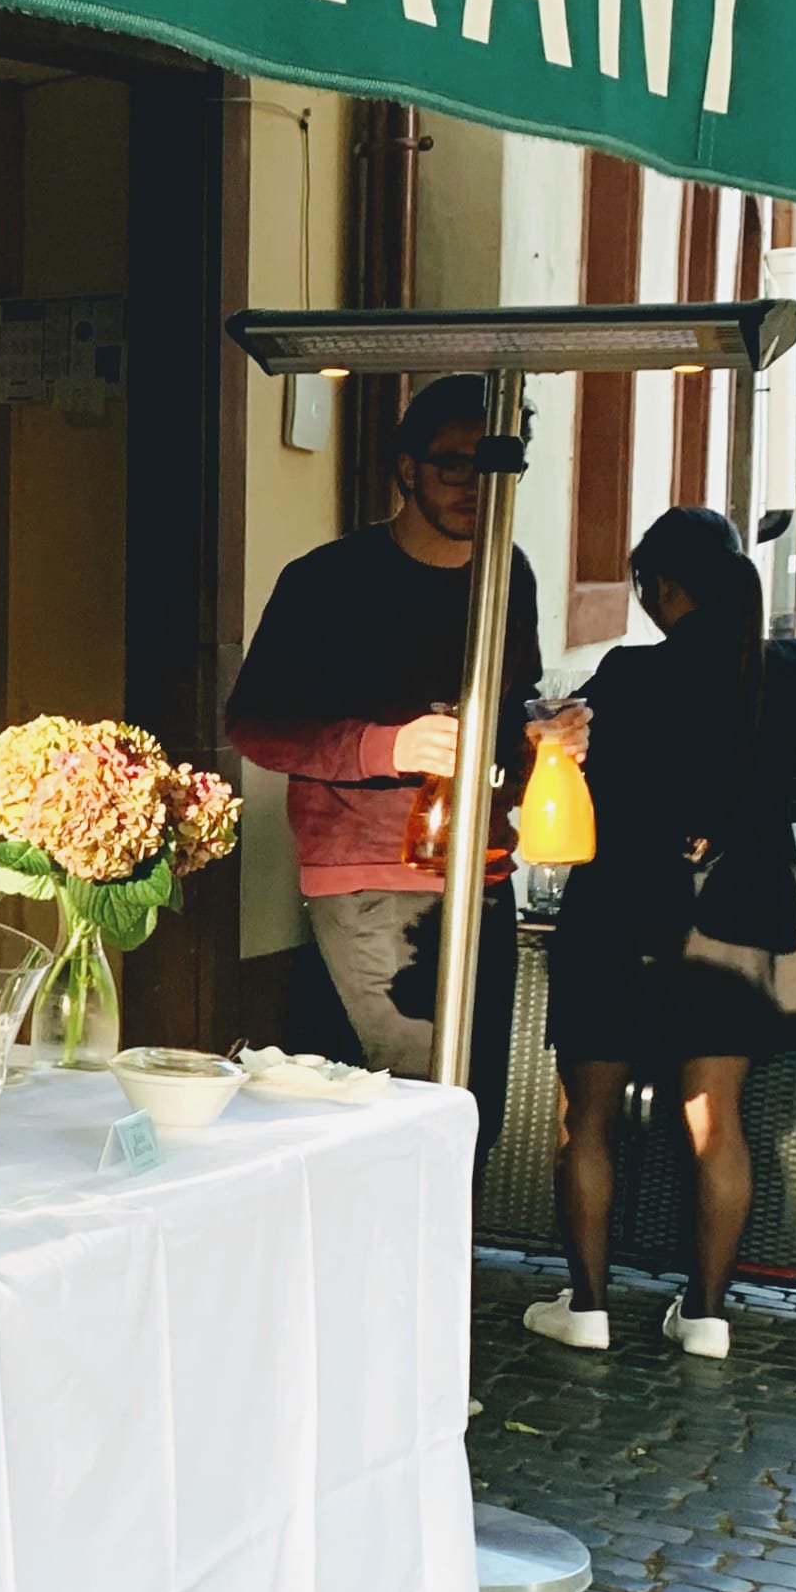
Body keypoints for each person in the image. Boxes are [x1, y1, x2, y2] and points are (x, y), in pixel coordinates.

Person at [524, 508, 796, 1361]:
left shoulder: (628, 673)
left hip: (617, 916)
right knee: (718, 1123)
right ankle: (707, 1317)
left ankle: (588, 1307)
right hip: (733, 923)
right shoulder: (784, 667)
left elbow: (565, 748)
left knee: (588, 1118)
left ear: (666, 587)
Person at [226, 377, 560, 1152]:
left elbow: (515, 708)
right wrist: (387, 746)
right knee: (422, 1099)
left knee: (477, 1109)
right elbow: (254, 725)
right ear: (406, 469)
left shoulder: (510, 574)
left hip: (483, 865)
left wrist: (546, 733)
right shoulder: (327, 581)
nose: (477, 489)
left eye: (499, 471)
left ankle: (449, 1272)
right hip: (369, 872)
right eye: (455, 467)